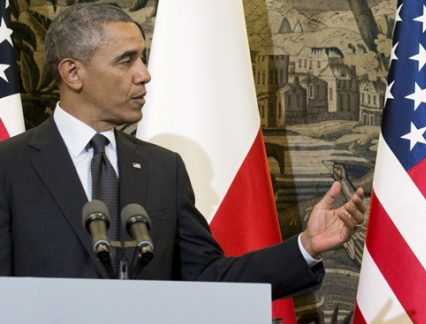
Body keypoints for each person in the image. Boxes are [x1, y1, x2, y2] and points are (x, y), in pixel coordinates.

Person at [0, 4, 365, 298]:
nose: (144, 74)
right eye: (126, 61)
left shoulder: (163, 169)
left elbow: (207, 279)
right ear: (73, 73)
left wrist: (307, 246)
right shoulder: (9, 166)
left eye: (143, 58)